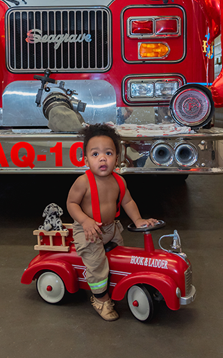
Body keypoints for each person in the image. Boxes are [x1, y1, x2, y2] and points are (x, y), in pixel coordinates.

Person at [66, 124, 159, 321]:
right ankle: (100, 298)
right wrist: (85, 221)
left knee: (119, 258)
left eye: (108, 153)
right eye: (95, 154)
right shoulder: (83, 182)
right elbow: (71, 203)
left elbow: (128, 202)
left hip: (110, 228)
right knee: (97, 262)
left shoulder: (119, 181)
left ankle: (117, 284)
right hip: (88, 231)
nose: (102, 158)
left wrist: (138, 220)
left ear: (117, 158)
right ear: (85, 159)